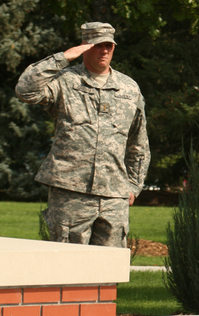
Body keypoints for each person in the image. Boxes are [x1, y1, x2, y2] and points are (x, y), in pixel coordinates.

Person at [16, 22, 150, 248]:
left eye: (109, 45)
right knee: (67, 268)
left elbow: (139, 142)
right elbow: (25, 90)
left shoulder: (129, 88)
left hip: (113, 195)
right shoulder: (65, 81)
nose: (105, 50)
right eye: (98, 45)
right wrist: (64, 57)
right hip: (70, 192)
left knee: (109, 271)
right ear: (85, 47)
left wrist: (134, 185)